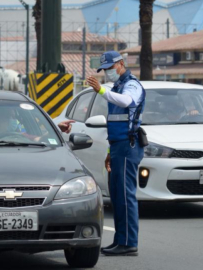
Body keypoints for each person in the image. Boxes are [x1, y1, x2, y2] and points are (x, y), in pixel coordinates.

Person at [87, 51, 145, 256]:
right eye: (104, 70)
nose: (107, 73)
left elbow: (128, 101)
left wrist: (101, 90)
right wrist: (110, 151)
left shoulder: (132, 85)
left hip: (129, 147)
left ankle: (129, 242)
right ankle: (120, 240)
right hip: (118, 146)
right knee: (117, 195)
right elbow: (115, 124)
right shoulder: (117, 86)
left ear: (121, 64)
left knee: (125, 194)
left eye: (110, 68)